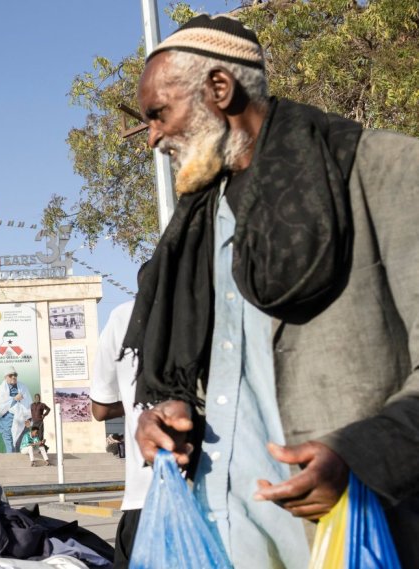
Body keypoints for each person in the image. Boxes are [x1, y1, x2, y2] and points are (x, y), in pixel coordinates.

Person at [127, 14, 419, 566]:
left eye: (159, 114)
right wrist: (167, 414)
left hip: (347, 534)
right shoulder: (196, 223)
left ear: (219, 88)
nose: (154, 137)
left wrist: (362, 458)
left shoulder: (384, 170)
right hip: (220, 532)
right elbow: (212, 371)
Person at [90, 300, 151, 568]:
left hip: (145, 495)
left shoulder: (124, 315)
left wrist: (132, 402)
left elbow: (100, 409)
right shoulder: (220, 300)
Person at [0, 367, 31, 453]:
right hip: (7, 422)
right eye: (10, 375)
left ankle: (20, 465)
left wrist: (28, 418)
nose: (13, 377)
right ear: (5, 377)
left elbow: (28, 403)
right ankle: (12, 464)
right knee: (10, 446)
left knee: (20, 445)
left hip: (21, 420)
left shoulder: (23, 387)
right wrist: (14, 399)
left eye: (15, 375)